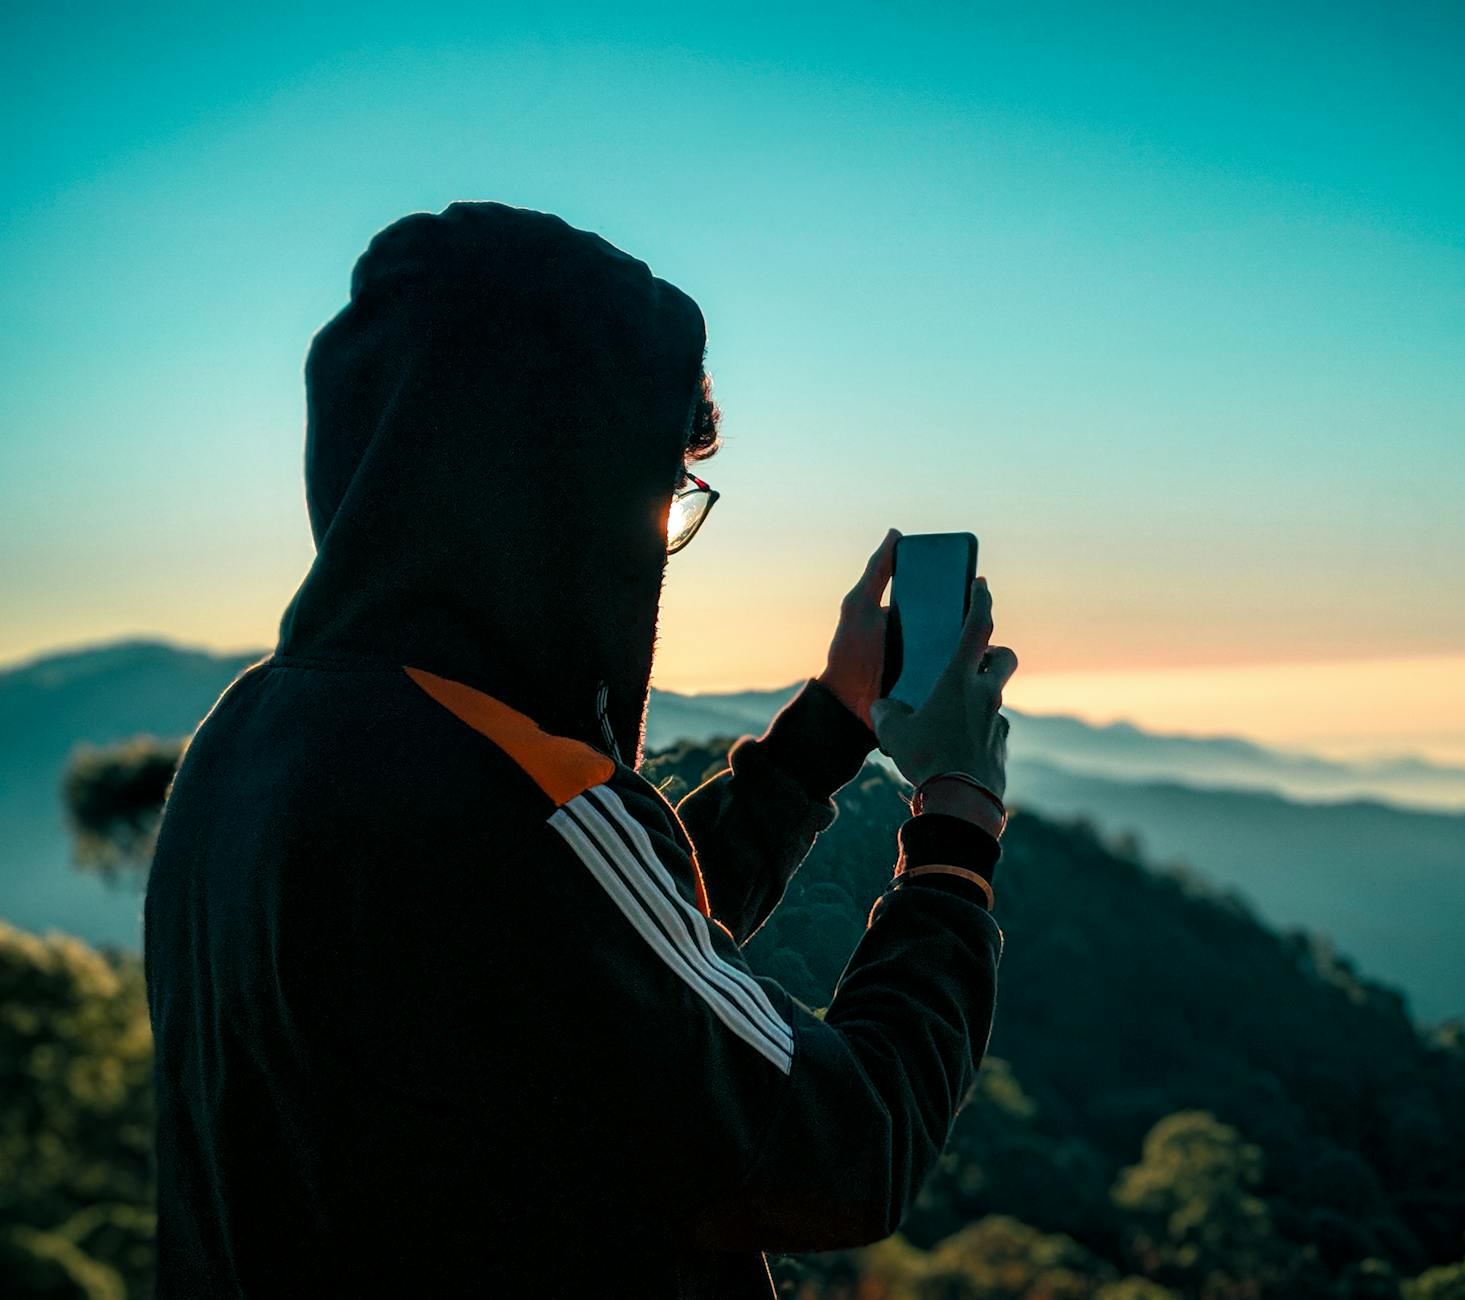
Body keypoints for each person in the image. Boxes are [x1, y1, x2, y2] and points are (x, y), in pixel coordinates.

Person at [144, 200, 1018, 1298]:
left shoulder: (255, 737)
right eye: (663, 492)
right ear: (554, 484)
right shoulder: (508, 804)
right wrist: (956, 827)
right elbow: (844, 1143)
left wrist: (831, 726)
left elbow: (602, 968)